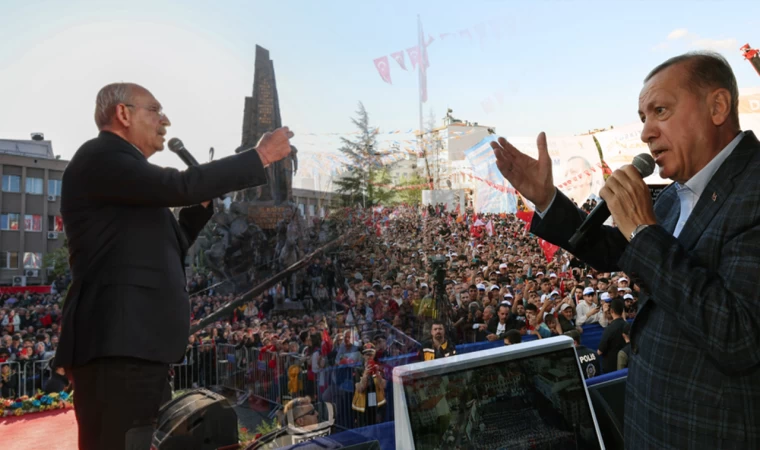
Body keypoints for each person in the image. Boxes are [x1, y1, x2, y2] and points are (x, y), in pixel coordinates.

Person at [491, 51, 759, 448]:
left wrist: (645, 230)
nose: (646, 133)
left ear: (717, 106)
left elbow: (739, 336)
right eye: (642, 118)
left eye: (661, 111)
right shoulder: (673, 197)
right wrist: (548, 199)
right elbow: (618, 253)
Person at [56, 82, 294, 450]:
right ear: (123, 114)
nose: (165, 120)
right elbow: (181, 184)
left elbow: (166, 249)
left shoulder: (129, 183)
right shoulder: (101, 157)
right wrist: (259, 155)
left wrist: (193, 217)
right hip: (117, 348)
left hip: (138, 347)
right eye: (155, 110)